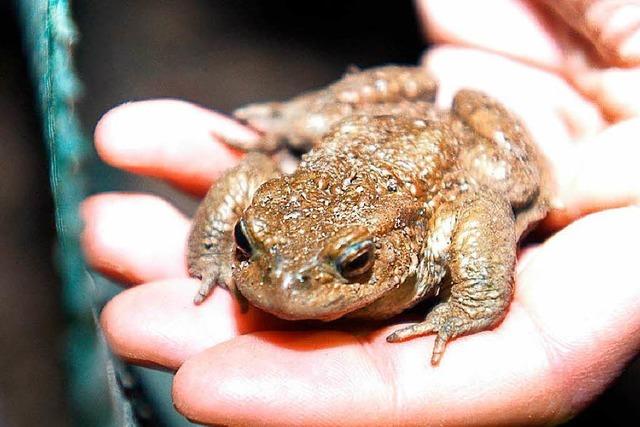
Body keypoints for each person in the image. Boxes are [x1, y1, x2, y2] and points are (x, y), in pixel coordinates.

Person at [81, 1, 640, 424]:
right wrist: (213, 254)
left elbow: (477, 202)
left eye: (351, 263)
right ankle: (296, 156)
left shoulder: (427, 223)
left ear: (380, 250)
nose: (283, 282)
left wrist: (472, 300)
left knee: (511, 178)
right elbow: (247, 174)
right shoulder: (270, 196)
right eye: (253, 248)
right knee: (310, 128)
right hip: (352, 142)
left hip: (438, 156)